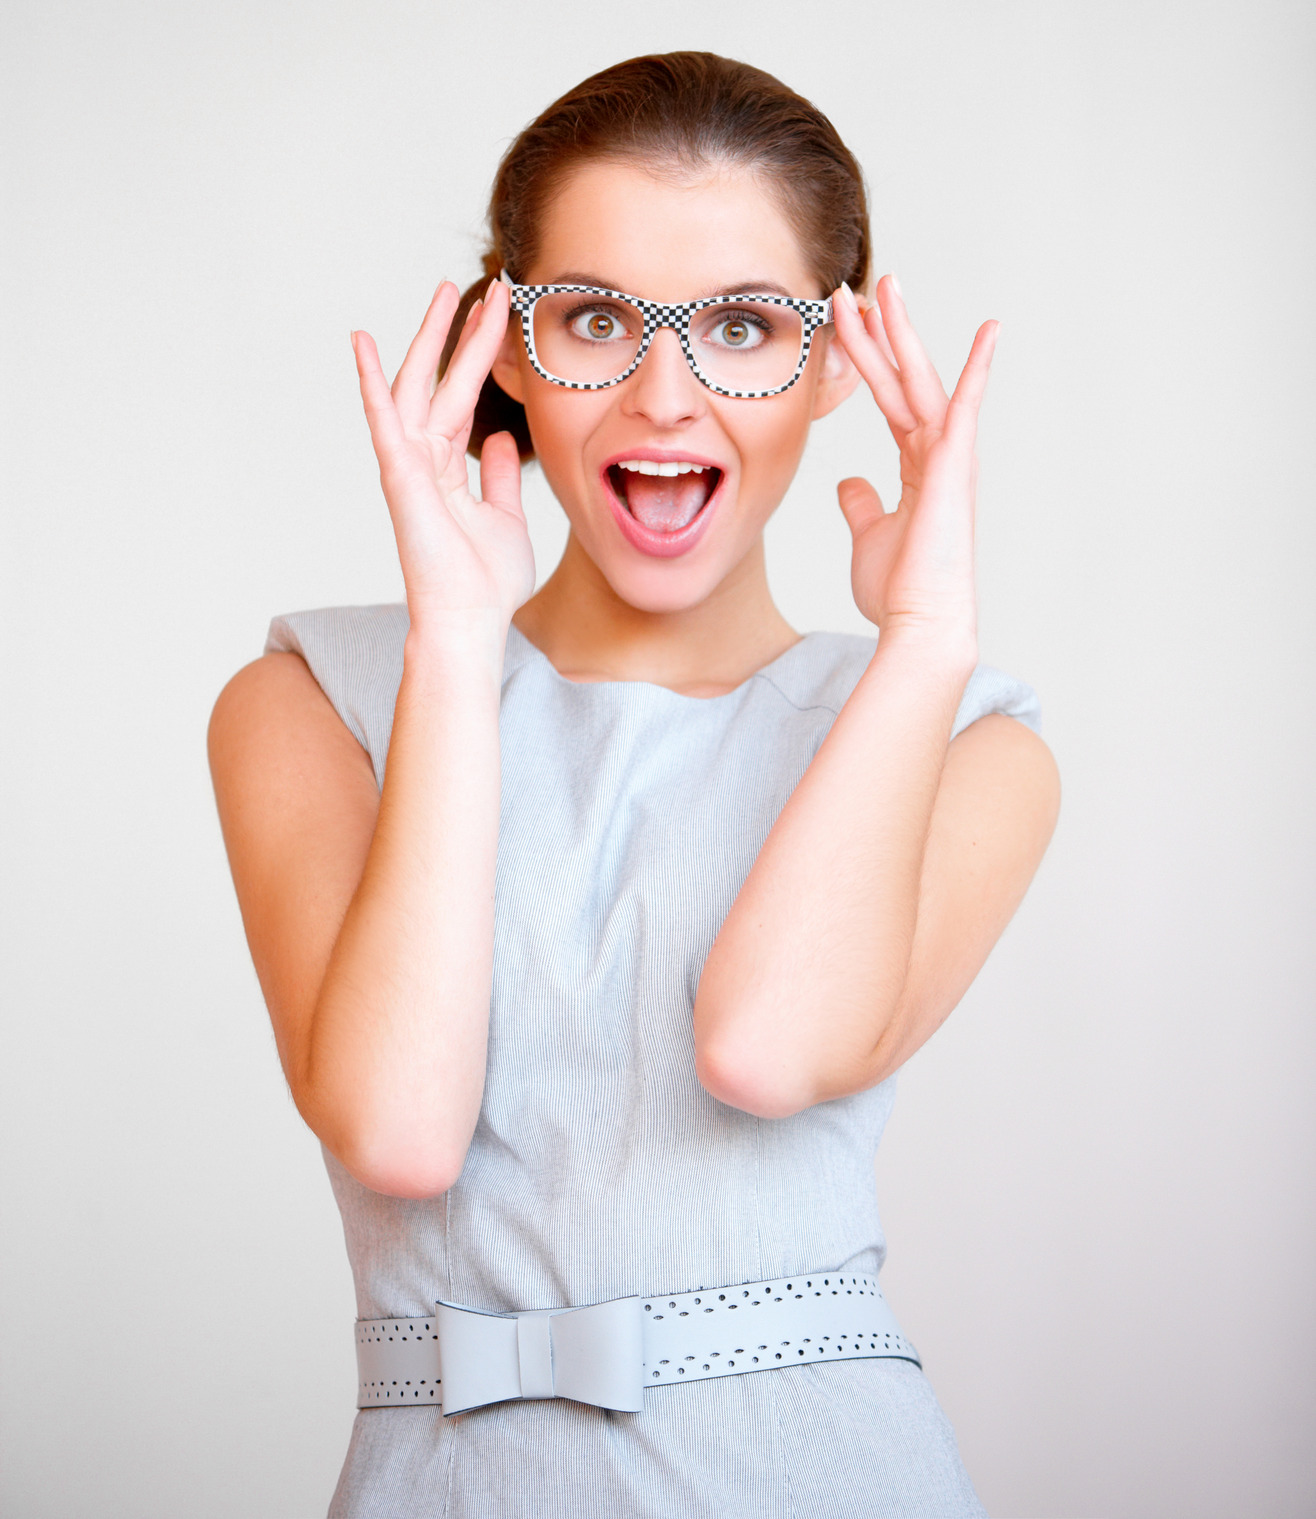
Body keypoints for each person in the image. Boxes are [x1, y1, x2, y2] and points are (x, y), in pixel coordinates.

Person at [208, 50, 1060, 1519]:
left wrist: (921, 644)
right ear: (509, 352)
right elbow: (401, 1128)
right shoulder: (315, 702)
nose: (666, 396)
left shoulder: (965, 737)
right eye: (595, 319)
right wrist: (460, 649)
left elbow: (766, 1050)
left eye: (744, 325)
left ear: (838, 365)